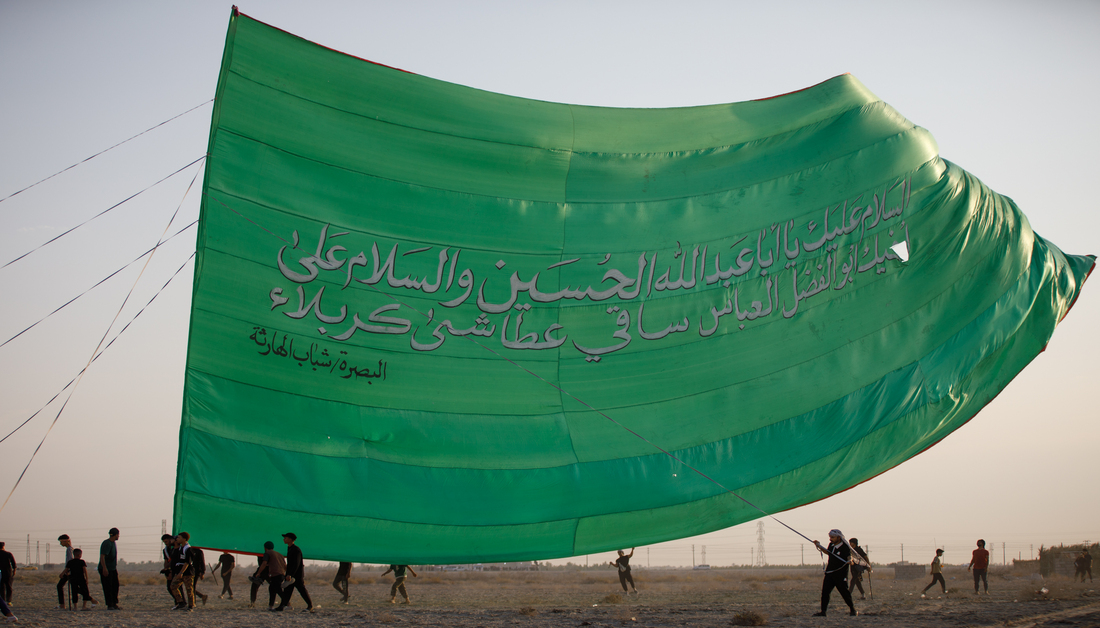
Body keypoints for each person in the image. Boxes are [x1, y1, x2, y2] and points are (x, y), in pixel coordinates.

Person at [812, 529, 858, 617]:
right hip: (830, 573)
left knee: (844, 592)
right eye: (830, 537)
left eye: (832, 537)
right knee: (825, 592)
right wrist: (818, 545)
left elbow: (849, 557)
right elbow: (828, 553)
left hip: (840, 574)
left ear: (839, 537)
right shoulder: (831, 545)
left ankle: (853, 610)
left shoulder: (845, 547)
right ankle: (823, 612)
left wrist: (850, 561)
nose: (830, 539)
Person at [274, 533, 315, 612]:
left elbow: (296, 563)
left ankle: (310, 606)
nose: (284, 539)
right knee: (287, 591)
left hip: (297, 575)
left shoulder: (296, 550)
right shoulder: (290, 548)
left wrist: (290, 574)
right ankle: (282, 606)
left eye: (285, 538)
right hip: (291, 575)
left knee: (302, 590)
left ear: (290, 539)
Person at [255, 541, 286, 609]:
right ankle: (271, 606)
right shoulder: (279, 554)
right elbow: (285, 566)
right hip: (281, 574)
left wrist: (258, 572)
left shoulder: (267, 553)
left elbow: (264, 563)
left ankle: (287, 604)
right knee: (272, 589)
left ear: (265, 548)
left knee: (278, 590)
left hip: (275, 574)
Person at [169, 532, 195, 611]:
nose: (177, 539)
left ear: (184, 539)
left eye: (179, 538)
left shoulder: (188, 549)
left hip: (187, 573)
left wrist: (181, 572)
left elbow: (187, 562)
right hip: (179, 571)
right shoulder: (180, 548)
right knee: (173, 586)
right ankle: (181, 603)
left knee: (189, 590)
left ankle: (191, 606)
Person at [98, 527, 122, 610]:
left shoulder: (113, 543)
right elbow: (102, 556)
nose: (118, 536)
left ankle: (114, 603)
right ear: (115, 535)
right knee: (108, 586)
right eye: (118, 535)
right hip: (105, 568)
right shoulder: (107, 543)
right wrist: (104, 568)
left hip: (112, 568)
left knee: (115, 585)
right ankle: (110, 604)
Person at [56, 534, 76, 609]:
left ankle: (62, 605)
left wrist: (65, 571)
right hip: (69, 570)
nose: (60, 543)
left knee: (60, 586)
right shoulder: (70, 549)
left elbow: (70, 562)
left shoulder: (69, 549)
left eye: (61, 542)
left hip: (69, 571)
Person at [160, 534, 176, 605]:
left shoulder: (176, 548)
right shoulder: (165, 550)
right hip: (170, 570)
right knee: (169, 587)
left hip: (176, 569)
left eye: (166, 541)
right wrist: (166, 569)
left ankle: (182, 602)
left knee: (177, 587)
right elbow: (166, 560)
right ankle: (177, 600)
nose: (166, 543)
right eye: (164, 542)